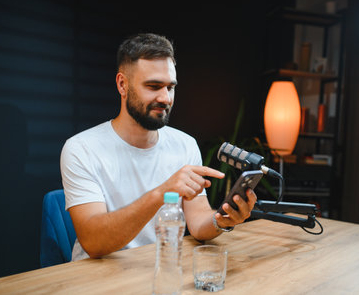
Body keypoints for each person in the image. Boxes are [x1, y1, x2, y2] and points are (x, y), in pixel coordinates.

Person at [60, 33, 257, 261]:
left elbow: (198, 222)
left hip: (162, 269)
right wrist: (162, 192)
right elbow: (94, 242)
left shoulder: (185, 145)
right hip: (96, 278)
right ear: (122, 85)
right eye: (153, 86)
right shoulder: (81, 149)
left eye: (170, 87)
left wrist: (222, 220)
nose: (165, 98)